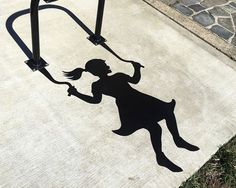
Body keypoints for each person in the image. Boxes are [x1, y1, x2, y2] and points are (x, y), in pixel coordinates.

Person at [65, 59, 199, 172]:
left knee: (167, 112)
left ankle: (177, 140)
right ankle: (160, 157)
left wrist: (136, 68)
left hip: (138, 100)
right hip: (130, 107)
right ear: (98, 69)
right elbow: (134, 81)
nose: (107, 65)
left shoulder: (100, 83)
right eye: (104, 64)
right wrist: (137, 68)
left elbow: (96, 99)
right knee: (155, 127)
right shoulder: (110, 79)